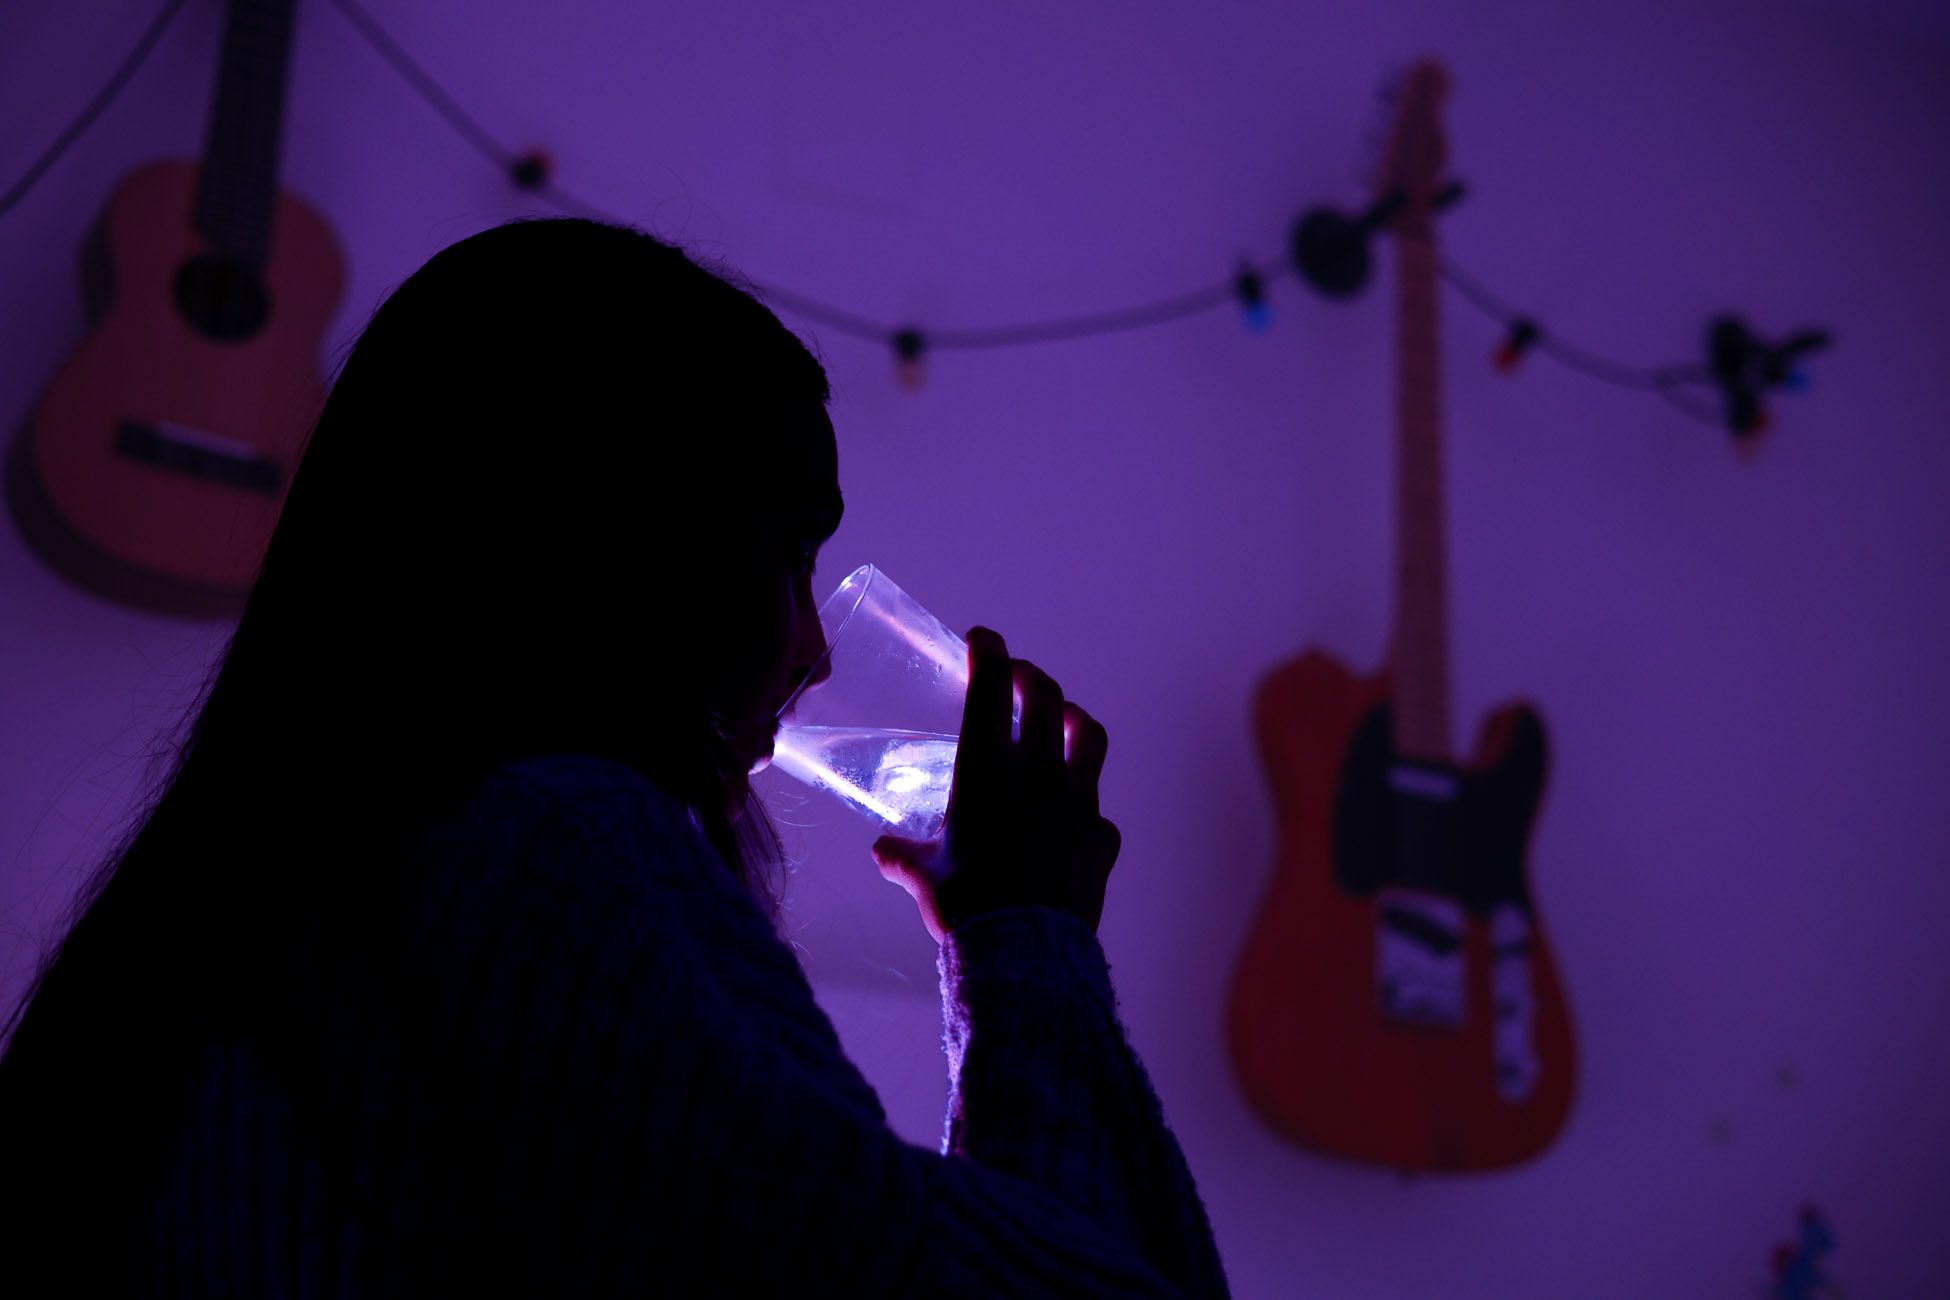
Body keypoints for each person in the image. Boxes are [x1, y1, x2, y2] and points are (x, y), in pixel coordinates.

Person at [0, 217, 1230, 1296]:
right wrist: (1026, 941)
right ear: (626, 542)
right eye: (791, 549)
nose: (811, 648)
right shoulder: (547, 852)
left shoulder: (259, 911)